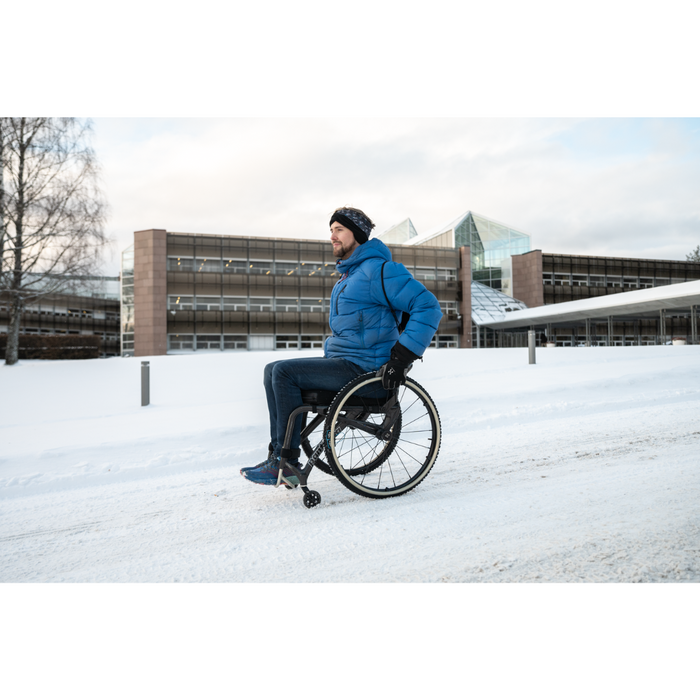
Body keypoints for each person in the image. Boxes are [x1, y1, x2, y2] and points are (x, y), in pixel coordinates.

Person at [241, 206, 443, 486]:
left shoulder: (379, 271)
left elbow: (428, 307)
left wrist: (400, 358)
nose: (333, 237)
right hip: (344, 364)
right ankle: (280, 456)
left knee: (284, 372)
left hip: (368, 372)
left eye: (339, 230)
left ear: (357, 235)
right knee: (272, 369)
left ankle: (286, 461)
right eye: (331, 230)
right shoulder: (350, 275)